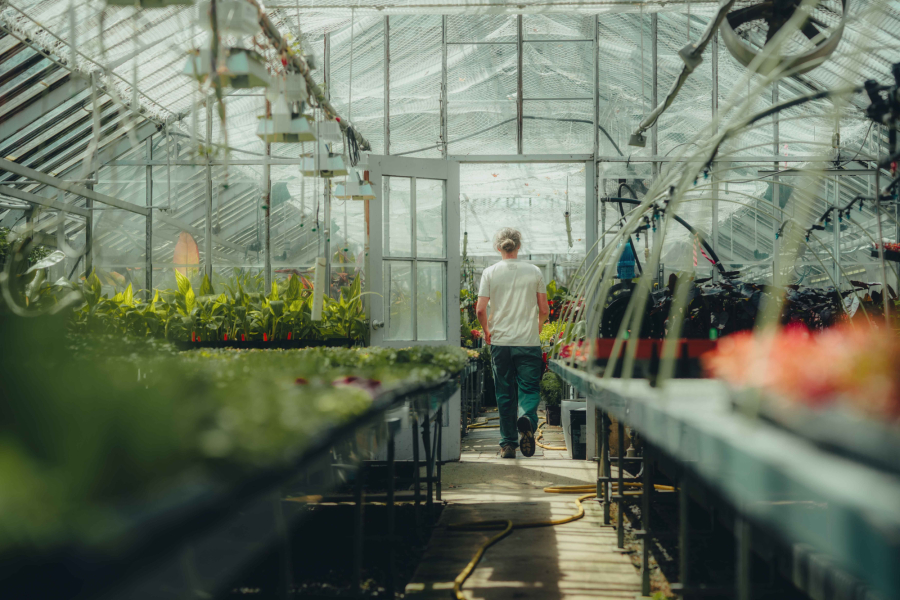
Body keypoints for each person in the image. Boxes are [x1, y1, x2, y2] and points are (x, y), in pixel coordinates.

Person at [475, 228, 550, 459]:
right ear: (519, 247)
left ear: (498, 247)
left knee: (504, 393)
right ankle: (527, 416)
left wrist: (487, 330)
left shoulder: (489, 272)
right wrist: (536, 327)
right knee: (528, 388)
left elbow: (480, 309)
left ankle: (508, 445)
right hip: (528, 342)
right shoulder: (534, 271)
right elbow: (545, 310)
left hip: (501, 343)